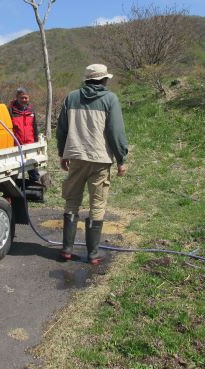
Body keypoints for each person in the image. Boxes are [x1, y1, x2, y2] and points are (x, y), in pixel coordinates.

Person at [56, 64, 128, 265]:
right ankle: (93, 254)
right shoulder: (110, 99)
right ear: (104, 80)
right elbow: (115, 132)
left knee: (72, 201)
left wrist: (62, 153)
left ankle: (67, 250)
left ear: (87, 79)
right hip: (100, 160)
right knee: (97, 205)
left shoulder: (71, 97)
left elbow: (61, 129)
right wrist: (121, 159)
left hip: (76, 157)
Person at [8, 87, 40, 182]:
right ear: (17, 97)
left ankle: (35, 191)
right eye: (22, 98)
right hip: (16, 146)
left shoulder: (31, 111)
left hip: (30, 145)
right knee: (13, 172)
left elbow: (34, 127)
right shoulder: (10, 110)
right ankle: (12, 193)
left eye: (26, 98)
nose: (24, 100)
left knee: (33, 171)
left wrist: (36, 143)